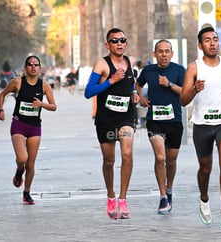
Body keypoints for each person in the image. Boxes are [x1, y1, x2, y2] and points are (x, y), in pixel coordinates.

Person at [180, 26, 221, 228]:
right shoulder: (194, 67)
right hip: (202, 124)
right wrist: (194, 89)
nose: (212, 43)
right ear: (200, 45)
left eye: (215, 39)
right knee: (205, 168)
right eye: (207, 40)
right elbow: (183, 100)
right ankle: (204, 198)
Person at [84, 28, 139, 220]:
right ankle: (110, 196)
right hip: (106, 119)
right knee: (109, 161)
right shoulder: (102, 64)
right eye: (115, 41)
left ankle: (123, 200)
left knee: (127, 153)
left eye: (123, 40)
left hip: (126, 117)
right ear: (108, 45)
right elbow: (89, 91)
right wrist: (111, 80)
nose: (119, 43)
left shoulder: (130, 62)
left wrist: (134, 92)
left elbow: (131, 83)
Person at [0, 55, 57, 204]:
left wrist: (41, 104)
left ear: (40, 68)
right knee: (22, 159)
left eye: (36, 65)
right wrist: (1, 110)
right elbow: (2, 94)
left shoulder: (44, 85)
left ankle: (27, 193)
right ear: (25, 67)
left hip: (35, 127)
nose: (33, 67)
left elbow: (53, 106)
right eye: (30, 64)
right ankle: (19, 170)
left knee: (30, 164)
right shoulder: (18, 82)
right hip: (19, 124)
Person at [135, 39, 185, 215]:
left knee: (171, 160)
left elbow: (187, 92)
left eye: (167, 51)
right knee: (160, 158)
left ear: (172, 54)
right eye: (160, 51)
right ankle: (162, 196)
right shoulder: (148, 70)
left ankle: (169, 189)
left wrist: (169, 84)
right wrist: (140, 96)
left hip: (175, 121)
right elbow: (138, 84)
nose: (164, 55)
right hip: (154, 120)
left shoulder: (179, 70)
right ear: (155, 54)